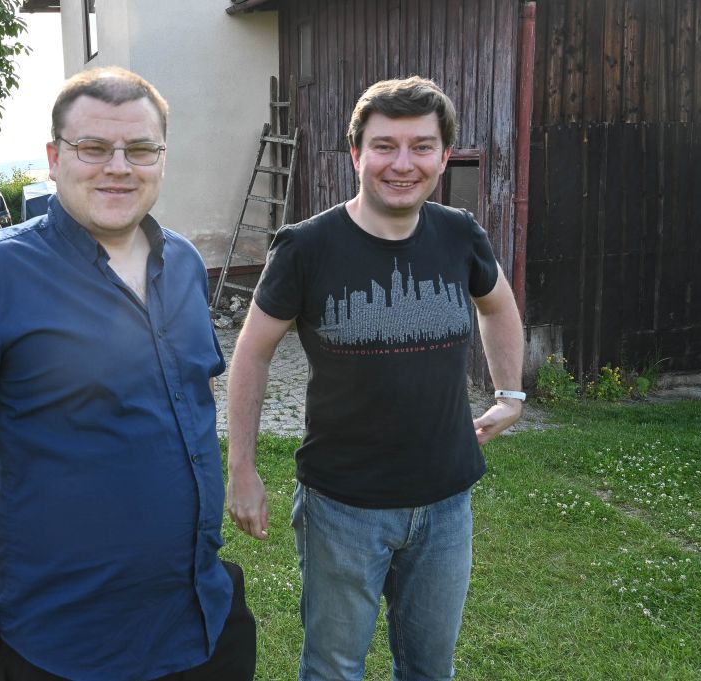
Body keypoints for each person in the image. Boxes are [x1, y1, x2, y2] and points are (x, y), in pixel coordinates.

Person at [0, 66, 255, 681]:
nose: (119, 167)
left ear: (162, 158)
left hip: (202, 621)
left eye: (140, 149)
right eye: (94, 147)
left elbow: (197, 392)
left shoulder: (186, 263)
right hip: (65, 642)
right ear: (55, 159)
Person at [226, 76, 524, 681]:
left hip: (446, 501)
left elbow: (497, 306)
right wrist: (242, 468)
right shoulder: (306, 247)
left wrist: (510, 394)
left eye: (421, 146)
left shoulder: (459, 233)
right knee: (334, 668)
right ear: (356, 154)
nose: (403, 164)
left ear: (444, 156)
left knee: (429, 668)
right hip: (342, 506)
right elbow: (252, 353)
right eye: (385, 146)